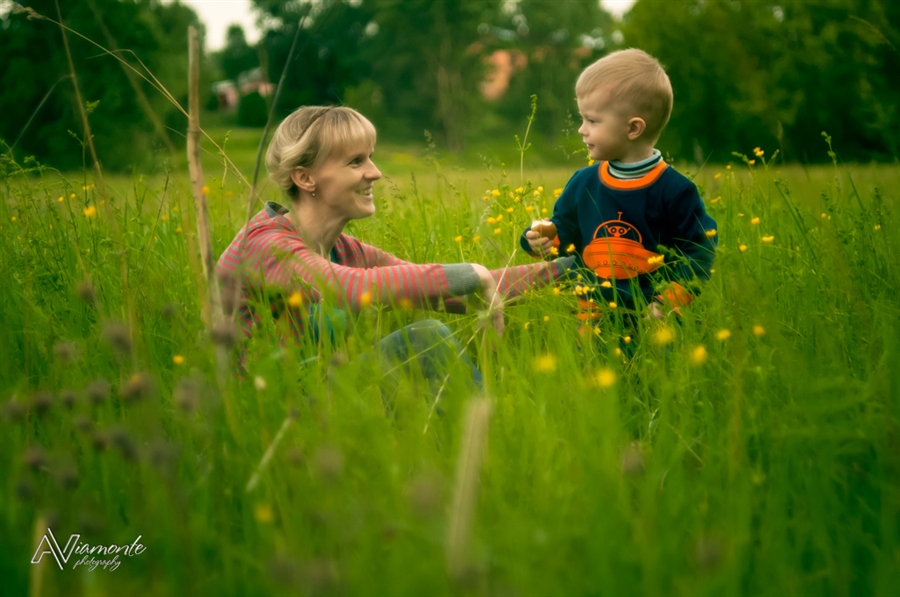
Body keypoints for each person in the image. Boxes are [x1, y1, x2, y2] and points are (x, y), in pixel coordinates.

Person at [216, 105, 575, 392]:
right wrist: (470, 276)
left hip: (316, 403)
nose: (375, 172)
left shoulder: (340, 249)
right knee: (425, 338)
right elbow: (351, 289)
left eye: (370, 157)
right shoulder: (265, 245)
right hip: (263, 419)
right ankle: (493, 451)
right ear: (305, 177)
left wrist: (578, 265)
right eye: (356, 161)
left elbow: (444, 291)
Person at [521, 49, 717, 320]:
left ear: (633, 129)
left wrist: (668, 301)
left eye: (592, 120)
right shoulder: (584, 183)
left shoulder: (675, 191)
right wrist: (542, 240)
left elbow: (698, 251)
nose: (581, 129)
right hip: (592, 317)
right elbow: (565, 232)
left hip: (654, 319)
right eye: (582, 118)